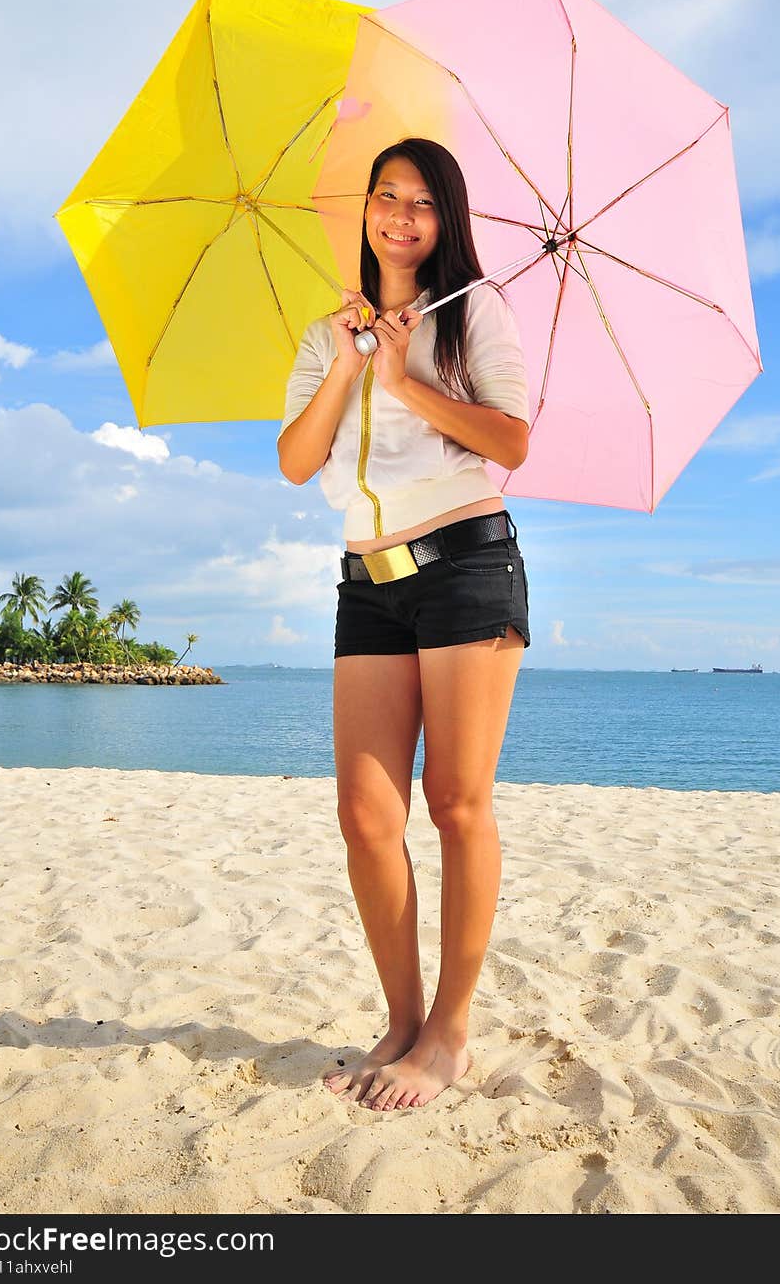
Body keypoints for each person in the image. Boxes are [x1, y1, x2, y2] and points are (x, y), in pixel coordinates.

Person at [276, 137, 532, 1112]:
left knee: (456, 802)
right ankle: (401, 1020)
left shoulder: (474, 313)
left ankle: (450, 1038)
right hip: (366, 581)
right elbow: (299, 462)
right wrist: (348, 364)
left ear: (446, 218)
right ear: (367, 209)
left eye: (424, 202)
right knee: (365, 816)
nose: (402, 215)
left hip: (466, 564)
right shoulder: (323, 336)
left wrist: (408, 381)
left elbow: (510, 438)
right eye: (388, 196)